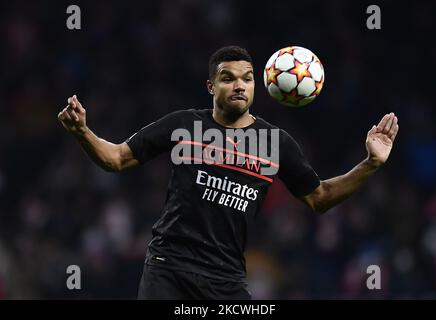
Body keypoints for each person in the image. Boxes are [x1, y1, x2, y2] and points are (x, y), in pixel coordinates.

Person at [57, 46, 399, 299]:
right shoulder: (183, 125)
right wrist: (82, 133)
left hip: (226, 279)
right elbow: (116, 158)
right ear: (211, 87)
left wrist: (370, 164)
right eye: (228, 78)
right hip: (169, 268)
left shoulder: (274, 142)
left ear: (256, 86)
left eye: (247, 79)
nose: (239, 85)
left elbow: (319, 198)